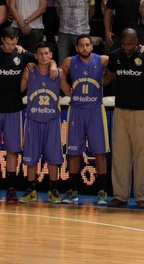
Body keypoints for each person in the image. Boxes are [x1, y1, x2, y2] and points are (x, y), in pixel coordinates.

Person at [0, 27, 38, 204]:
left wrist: (49, 65)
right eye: (8, 43)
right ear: (2, 40)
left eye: (14, 43)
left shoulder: (24, 55)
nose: (11, 47)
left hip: (13, 110)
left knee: (12, 151)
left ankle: (11, 190)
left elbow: (44, 58)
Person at [105, 29, 144, 208]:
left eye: (130, 44)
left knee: (140, 156)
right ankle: (120, 195)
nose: (126, 47)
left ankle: (142, 197)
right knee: (120, 156)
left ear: (137, 41)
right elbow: (109, 75)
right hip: (120, 110)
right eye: (124, 44)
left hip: (141, 111)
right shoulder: (115, 56)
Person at [59, 34, 110, 204]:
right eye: (81, 45)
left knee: (100, 152)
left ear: (92, 46)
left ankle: (102, 191)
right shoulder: (69, 62)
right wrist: (66, 89)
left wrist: (104, 82)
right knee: (73, 152)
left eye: (88, 45)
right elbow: (59, 73)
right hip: (76, 110)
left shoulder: (101, 60)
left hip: (95, 110)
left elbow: (118, 63)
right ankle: (72, 191)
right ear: (76, 48)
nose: (85, 48)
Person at [19, 42, 64, 203]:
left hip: (52, 120)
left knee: (53, 158)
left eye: (47, 53)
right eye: (40, 54)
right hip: (33, 120)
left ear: (51, 55)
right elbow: (18, 90)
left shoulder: (58, 72)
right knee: (31, 158)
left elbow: (69, 90)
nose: (44, 57)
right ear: (36, 56)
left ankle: (53, 190)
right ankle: (30, 190)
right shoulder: (29, 71)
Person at [56, 0, 95, 64]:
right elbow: (58, 11)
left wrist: (84, 21)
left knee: (84, 61)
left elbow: (92, 9)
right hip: (64, 32)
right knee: (62, 62)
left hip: (82, 31)